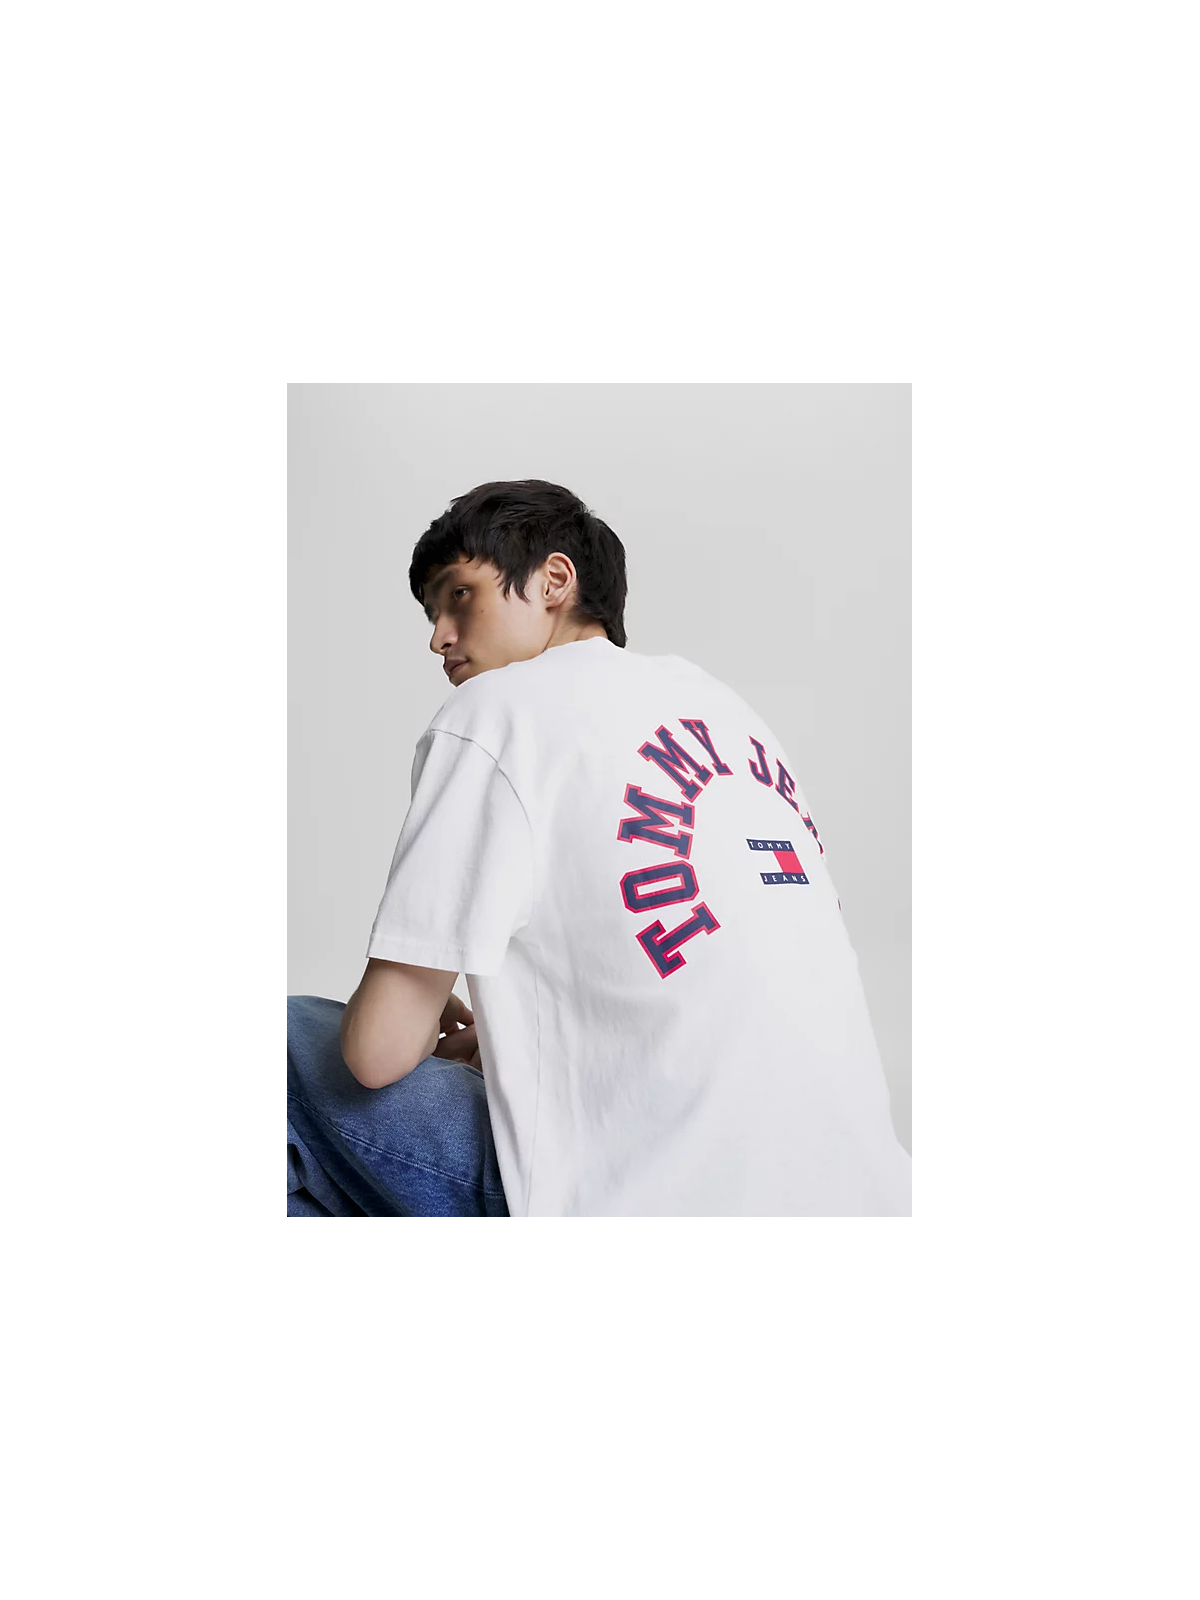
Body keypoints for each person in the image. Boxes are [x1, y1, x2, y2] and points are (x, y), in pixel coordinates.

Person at [287, 478, 912, 1216]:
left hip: (642, 1202)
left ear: (554, 580)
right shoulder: (726, 709)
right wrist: (509, 1041)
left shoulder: (496, 711)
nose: (439, 637)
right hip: (862, 1197)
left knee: (287, 1045)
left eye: (459, 595)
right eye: (432, 615)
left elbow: (375, 1054)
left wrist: (411, 1020)